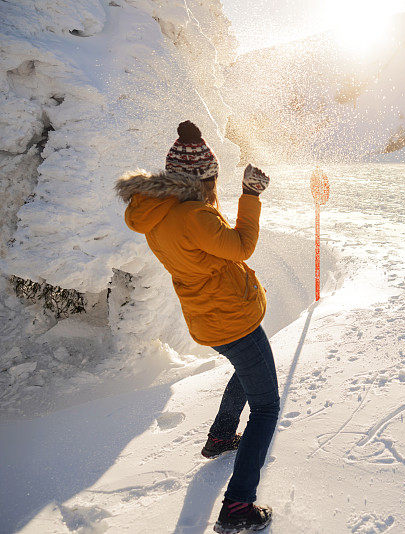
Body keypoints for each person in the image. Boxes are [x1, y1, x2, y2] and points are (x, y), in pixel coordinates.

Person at [115, 121, 276, 533]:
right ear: (202, 178)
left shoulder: (160, 211)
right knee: (267, 408)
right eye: (212, 178)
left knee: (246, 370)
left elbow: (207, 244)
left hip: (208, 317)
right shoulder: (193, 215)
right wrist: (251, 196)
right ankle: (238, 506)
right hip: (232, 318)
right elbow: (240, 246)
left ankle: (221, 436)